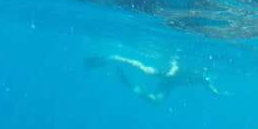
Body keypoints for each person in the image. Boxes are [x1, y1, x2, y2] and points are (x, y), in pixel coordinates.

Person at [86, 53, 221, 104]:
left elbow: (211, 88)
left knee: (156, 102)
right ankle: (112, 58)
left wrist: (219, 93)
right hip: (168, 76)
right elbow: (176, 66)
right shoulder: (199, 72)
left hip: (170, 84)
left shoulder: (204, 79)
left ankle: (127, 83)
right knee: (147, 71)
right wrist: (172, 72)